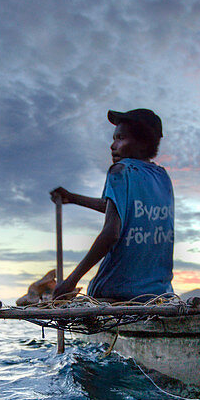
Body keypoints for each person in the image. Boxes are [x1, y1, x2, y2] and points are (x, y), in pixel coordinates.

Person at [50, 108, 174, 301]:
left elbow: (111, 232)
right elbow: (123, 210)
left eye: (120, 138)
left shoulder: (120, 171)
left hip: (115, 291)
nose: (112, 145)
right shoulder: (163, 177)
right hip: (158, 294)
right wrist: (73, 198)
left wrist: (71, 281)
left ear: (143, 143)